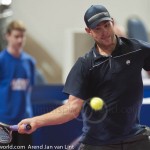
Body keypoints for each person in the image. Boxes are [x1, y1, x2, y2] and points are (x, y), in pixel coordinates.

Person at [18, 5, 150, 150]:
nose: (104, 32)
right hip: (98, 144)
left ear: (113, 22)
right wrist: (37, 121)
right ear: (89, 31)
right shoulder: (85, 65)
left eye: (107, 25)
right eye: (97, 29)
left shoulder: (137, 49)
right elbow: (72, 109)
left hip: (135, 139)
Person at [0, 20, 35, 147]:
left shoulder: (30, 62)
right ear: (7, 36)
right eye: (16, 36)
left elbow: (29, 88)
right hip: (3, 123)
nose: (20, 40)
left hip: (25, 122)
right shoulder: (1, 60)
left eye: (22, 36)